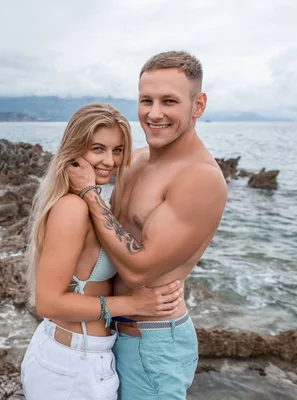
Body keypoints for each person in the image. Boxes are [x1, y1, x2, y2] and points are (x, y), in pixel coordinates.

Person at [66, 51, 228, 399]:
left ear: (198, 105)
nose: (154, 113)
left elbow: (139, 270)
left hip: (153, 343)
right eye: (146, 100)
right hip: (109, 331)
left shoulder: (199, 179)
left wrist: (91, 195)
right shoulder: (135, 159)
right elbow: (100, 232)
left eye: (169, 101)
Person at [21, 103, 185, 400]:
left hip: (86, 358)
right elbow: (47, 302)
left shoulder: (91, 204)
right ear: (74, 150)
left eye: (118, 150)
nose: (109, 161)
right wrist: (133, 304)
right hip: (69, 367)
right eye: (98, 149)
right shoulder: (72, 208)